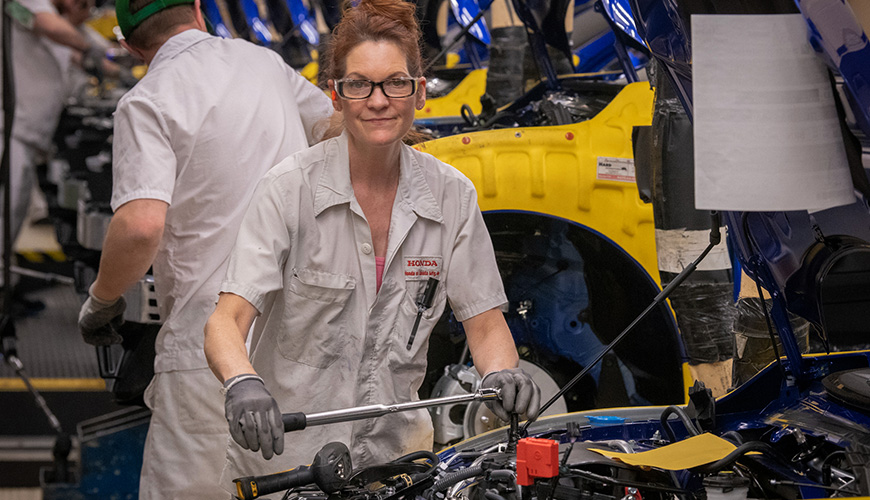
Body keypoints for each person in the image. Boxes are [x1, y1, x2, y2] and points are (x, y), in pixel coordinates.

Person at [203, 0, 541, 490]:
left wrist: (501, 376)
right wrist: (242, 381)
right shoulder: (289, 190)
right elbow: (226, 319)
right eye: (359, 84)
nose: (378, 100)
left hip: (397, 467)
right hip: (289, 468)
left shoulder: (452, 196)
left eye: (395, 83)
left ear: (419, 92)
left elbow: (485, 324)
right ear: (337, 96)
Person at [75, 0, 333, 497]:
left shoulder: (147, 99)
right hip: (304, 334)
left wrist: (101, 301)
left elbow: (140, 226)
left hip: (208, 351)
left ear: (129, 45)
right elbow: (333, 129)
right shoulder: (265, 64)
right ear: (198, 9)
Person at [1, 0, 107, 296]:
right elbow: (46, 25)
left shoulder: (66, 28)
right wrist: (89, 49)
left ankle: (7, 292)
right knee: (3, 216)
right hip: (9, 130)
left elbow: (89, 52)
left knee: (13, 217)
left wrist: (113, 63)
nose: (80, 7)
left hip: (27, 135)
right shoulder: (25, 5)